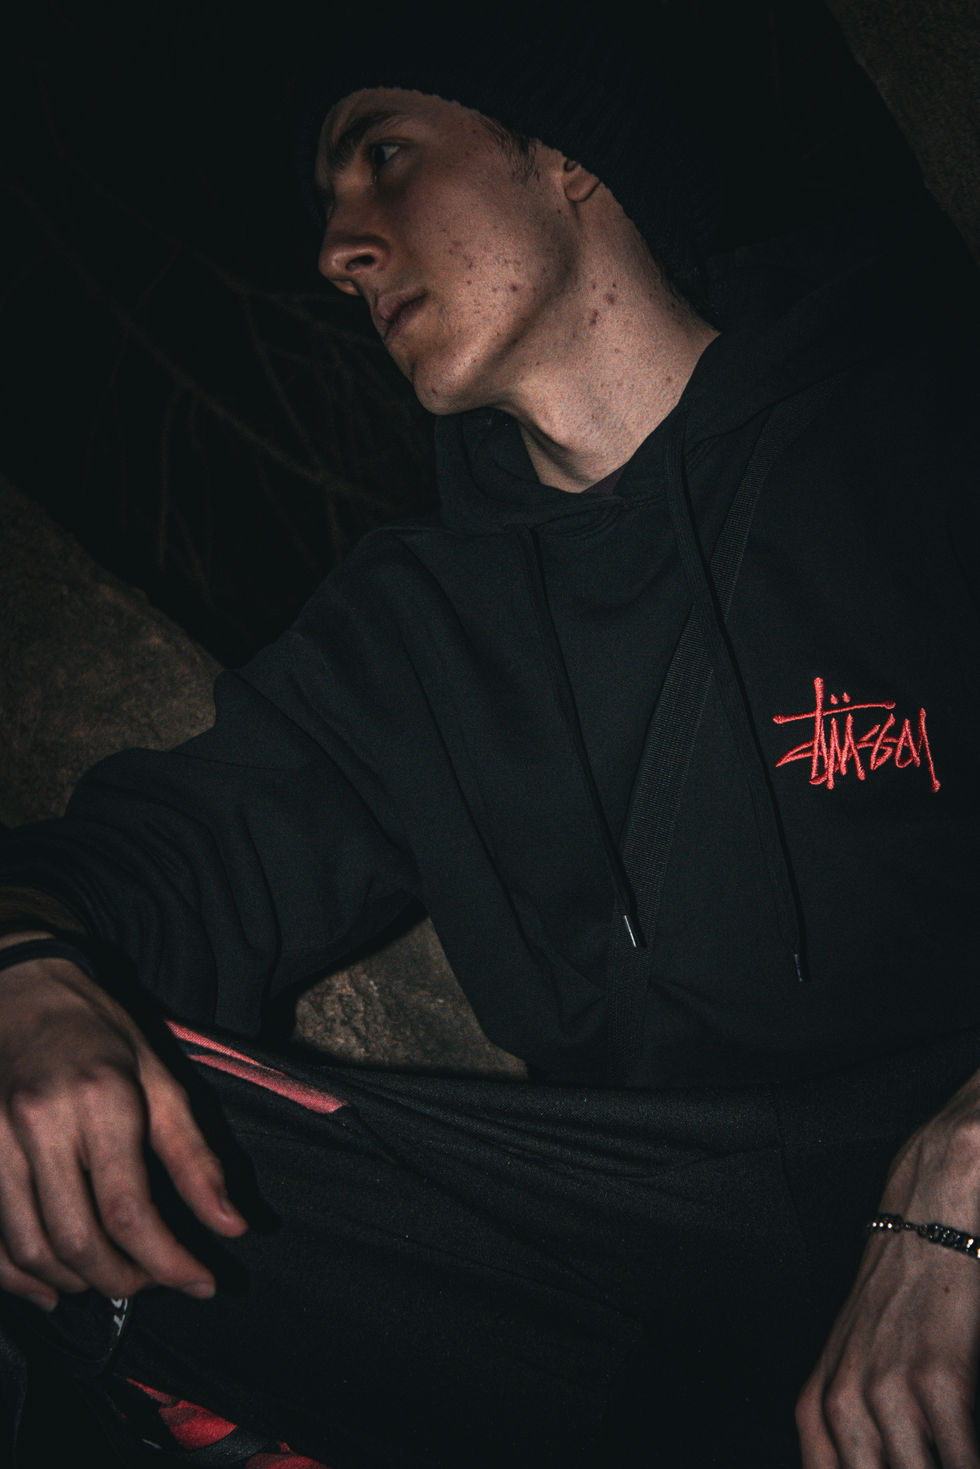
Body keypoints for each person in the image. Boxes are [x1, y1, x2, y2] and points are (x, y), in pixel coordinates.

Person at [1, 18, 979, 1468]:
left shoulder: (918, 430)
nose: (341, 246)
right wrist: (24, 974)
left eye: (384, 158)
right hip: (635, 1280)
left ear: (564, 152)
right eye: (334, 204)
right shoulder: (411, 633)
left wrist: (960, 1180)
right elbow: (151, 862)